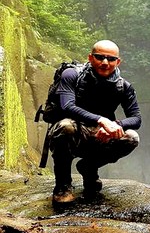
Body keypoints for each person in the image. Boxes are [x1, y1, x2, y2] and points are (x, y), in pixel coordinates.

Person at [50, 40, 142, 204]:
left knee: (131, 137)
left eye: (111, 59)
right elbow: (67, 106)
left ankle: (89, 167)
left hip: (102, 135)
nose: (105, 62)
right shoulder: (72, 75)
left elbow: (136, 119)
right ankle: (62, 186)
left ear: (118, 61)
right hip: (73, 131)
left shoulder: (123, 86)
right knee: (65, 127)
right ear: (90, 58)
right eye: (100, 57)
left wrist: (116, 125)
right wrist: (102, 120)